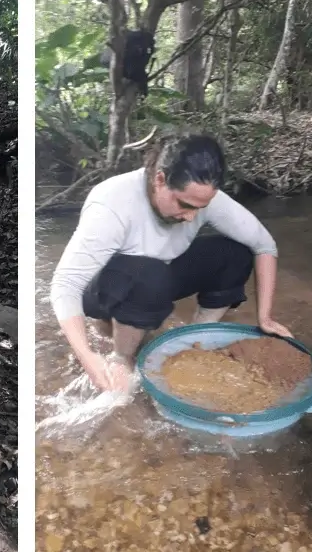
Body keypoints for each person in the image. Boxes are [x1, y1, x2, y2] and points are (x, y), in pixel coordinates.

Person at [50, 132, 293, 392]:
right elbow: (66, 284)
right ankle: (122, 356)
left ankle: (195, 339)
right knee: (149, 275)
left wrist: (265, 317)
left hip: (159, 274)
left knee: (235, 253)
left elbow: (264, 245)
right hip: (105, 287)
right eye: (185, 205)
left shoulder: (201, 198)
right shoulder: (112, 204)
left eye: (201, 207)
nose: (191, 217)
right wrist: (88, 358)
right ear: (160, 180)